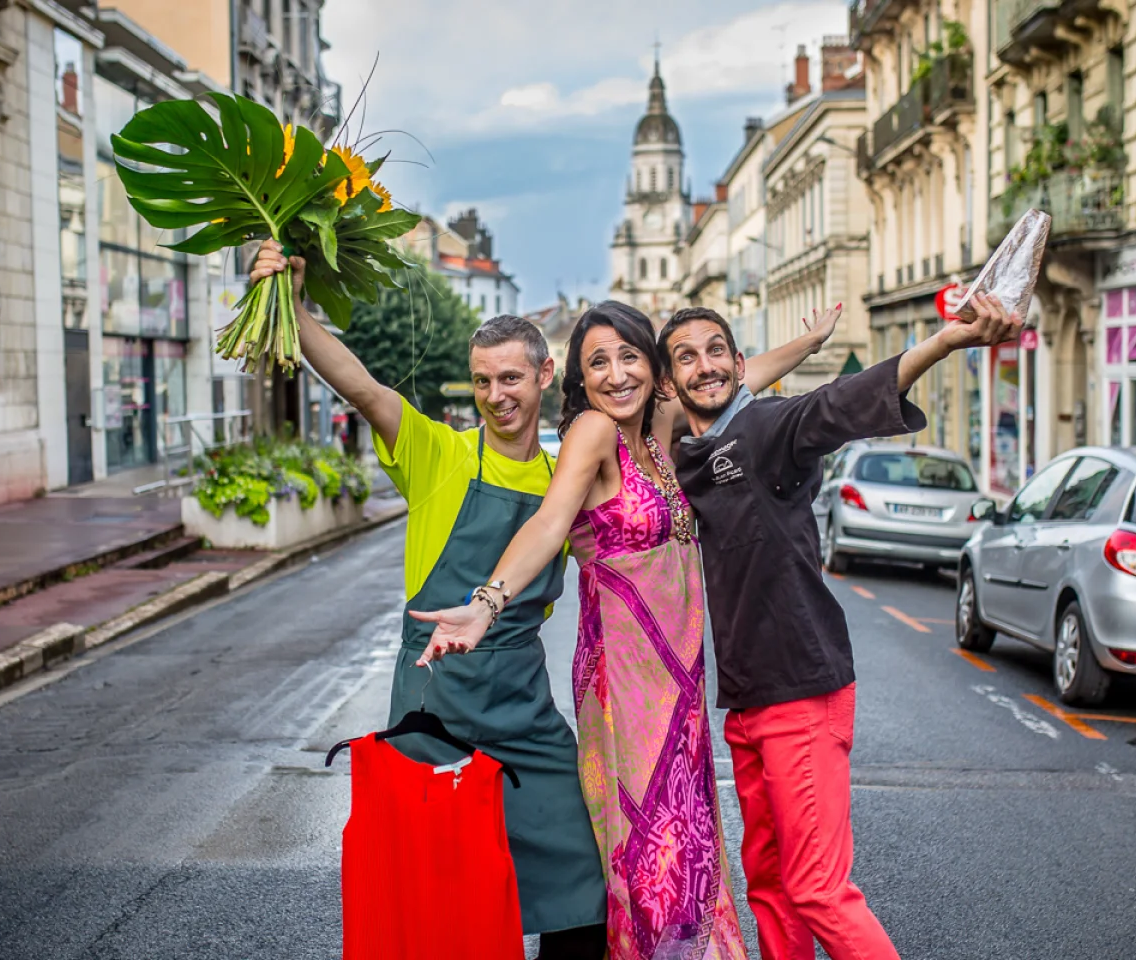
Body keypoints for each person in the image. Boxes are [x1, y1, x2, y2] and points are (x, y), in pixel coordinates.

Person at [411, 300, 835, 960]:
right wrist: (487, 602)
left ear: (653, 367)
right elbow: (549, 523)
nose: (616, 375)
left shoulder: (661, 426)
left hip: (681, 683)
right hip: (625, 685)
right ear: (580, 379)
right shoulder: (593, 433)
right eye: (598, 363)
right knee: (648, 851)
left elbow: (735, 381)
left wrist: (808, 343)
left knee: (688, 842)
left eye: (629, 357)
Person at [248, 240, 608, 957]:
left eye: (511, 377)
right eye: (482, 381)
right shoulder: (438, 453)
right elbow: (362, 388)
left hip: (524, 707)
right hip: (433, 708)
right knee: (437, 894)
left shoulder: (563, 479)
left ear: (544, 375)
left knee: (583, 883)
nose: (497, 395)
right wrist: (293, 301)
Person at [654, 298, 1022, 960]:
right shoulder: (688, 454)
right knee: (769, 886)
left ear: (739, 363)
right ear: (669, 380)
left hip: (801, 689)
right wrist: (804, 343)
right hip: (745, 698)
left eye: (716, 352)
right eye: (686, 357)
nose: (705, 366)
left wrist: (943, 342)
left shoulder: (768, 427)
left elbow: (837, 403)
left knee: (818, 888)